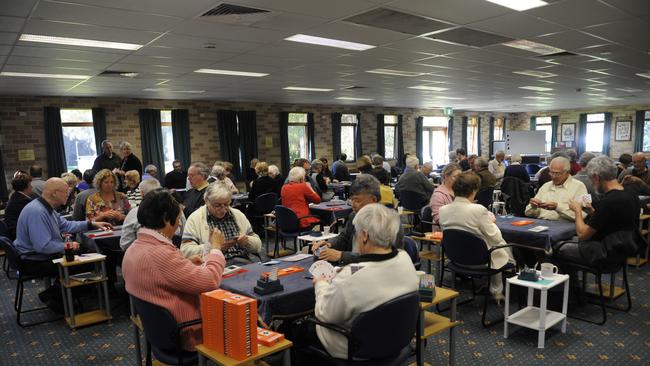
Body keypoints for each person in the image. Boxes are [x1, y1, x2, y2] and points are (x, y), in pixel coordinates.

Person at [295, 203, 417, 360]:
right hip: (394, 339)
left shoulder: (350, 278)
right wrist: (342, 274)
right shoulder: (405, 258)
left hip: (356, 349)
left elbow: (324, 314)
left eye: (357, 234)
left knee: (297, 330)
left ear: (365, 235)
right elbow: (374, 271)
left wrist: (320, 284)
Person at [122, 189, 225, 352]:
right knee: (246, 314)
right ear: (165, 218)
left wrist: (183, 262)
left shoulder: (134, 249)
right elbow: (210, 281)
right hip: (187, 334)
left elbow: (157, 274)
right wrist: (216, 248)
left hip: (158, 333)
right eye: (178, 218)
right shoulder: (160, 253)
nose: (179, 223)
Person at [13, 178, 111, 308]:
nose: (68, 194)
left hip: (36, 255)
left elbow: (66, 225)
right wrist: (67, 245)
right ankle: (56, 297)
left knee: (85, 255)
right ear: (54, 193)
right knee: (88, 262)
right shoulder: (38, 212)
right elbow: (43, 246)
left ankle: (59, 293)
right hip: (34, 260)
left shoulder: (45, 207)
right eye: (66, 191)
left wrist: (91, 224)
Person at [438, 171, 514, 299]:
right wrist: (492, 222)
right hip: (480, 260)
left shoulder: (443, 210)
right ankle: (503, 287)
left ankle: (494, 287)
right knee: (504, 248)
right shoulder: (478, 210)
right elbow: (496, 237)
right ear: (474, 190)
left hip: (455, 258)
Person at [555, 157, 639, 264]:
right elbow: (611, 222)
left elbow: (582, 234)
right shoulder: (630, 194)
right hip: (623, 248)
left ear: (596, 177)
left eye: (591, 179)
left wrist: (577, 210)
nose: (592, 183)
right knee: (565, 242)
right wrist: (591, 211)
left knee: (556, 246)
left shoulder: (609, 201)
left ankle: (568, 280)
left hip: (604, 252)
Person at [312, 175, 404, 265]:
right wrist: (329, 244)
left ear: (373, 199)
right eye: (352, 200)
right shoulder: (354, 215)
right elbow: (344, 237)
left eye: (358, 200)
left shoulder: (388, 221)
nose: (353, 204)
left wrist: (341, 256)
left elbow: (379, 257)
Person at [182, 184, 261, 265]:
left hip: (242, 261)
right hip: (213, 265)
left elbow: (258, 246)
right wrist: (213, 247)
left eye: (227, 204)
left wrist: (247, 241)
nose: (223, 209)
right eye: (217, 205)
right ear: (206, 201)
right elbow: (185, 251)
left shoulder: (238, 215)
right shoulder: (195, 218)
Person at [120, 179, 186, 251]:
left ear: (142, 194)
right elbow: (185, 235)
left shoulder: (134, 213)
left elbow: (124, 244)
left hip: (142, 255)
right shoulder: (178, 210)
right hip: (177, 251)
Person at [525, 157, 587, 221]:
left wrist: (557, 207)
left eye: (557, 173)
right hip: (542, 224)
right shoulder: (546, 186)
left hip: (565, 227)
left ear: (567, 172)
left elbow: (583, 216)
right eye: (551, 173)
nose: (553, 177)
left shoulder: (579, 186)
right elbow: (527, 213)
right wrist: (533, 207)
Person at [429, 163, 461, 231]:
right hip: (443, 231)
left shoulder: (460, 191)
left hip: (459, 227)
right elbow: (438, 218)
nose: (458, 180)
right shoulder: (438, 195)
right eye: (455, 177)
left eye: (460, 177)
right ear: (446, 176)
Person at [4, 174, 35, 240]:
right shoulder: (22, 201)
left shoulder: (16, 197)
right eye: (30, 185)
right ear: (25, 187)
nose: (32, 187)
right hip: (21, 237)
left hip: (17, 234)